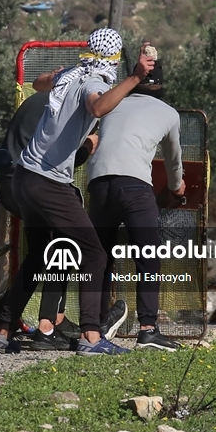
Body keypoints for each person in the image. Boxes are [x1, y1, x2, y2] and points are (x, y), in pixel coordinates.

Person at [0, 27, 154, 356]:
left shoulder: (70, 74)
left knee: (39, 256)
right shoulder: (94, 82)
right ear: (115, 58)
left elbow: (37, 83)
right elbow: (97, 107)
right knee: (93, 253)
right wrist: (136, 77)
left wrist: (59, 75)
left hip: (24, 176)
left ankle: (2, 331)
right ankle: (91, 337)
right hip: (48, 182)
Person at [87, 48, 185, 351]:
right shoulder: (169, 114)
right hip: (135, 188)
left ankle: (96, 326)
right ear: (162, 86)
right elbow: (173, 163)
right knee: (147, 258)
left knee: (100, 259)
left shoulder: (114, 103)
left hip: (99, 184)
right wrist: (178, 188)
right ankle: (147, 329)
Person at [0, 91, 96, 352]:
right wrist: (91, 144)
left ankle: (4, 330)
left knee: (39, 254)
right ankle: (47, 329)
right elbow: (63, 158)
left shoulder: (40, 99)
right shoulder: (70, 108)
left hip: (12, 182)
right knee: (64, 250)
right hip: (40, 184)